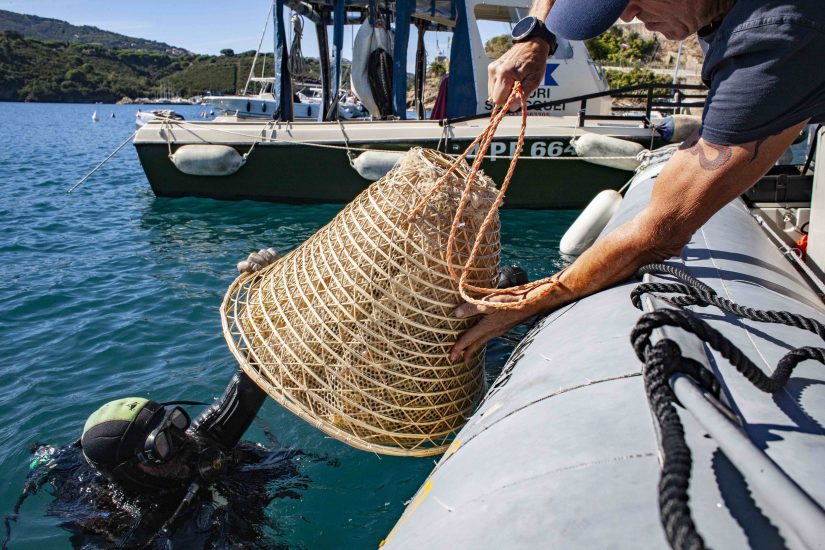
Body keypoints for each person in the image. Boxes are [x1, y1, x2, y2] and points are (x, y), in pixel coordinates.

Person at [449, 0, 825, 363]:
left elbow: (662, 229)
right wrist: (535, 37)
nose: (627, 16)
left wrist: (539, 296)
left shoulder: (777, 33)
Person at [4, 370, 307, 548]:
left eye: (175, 425)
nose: (181, 443)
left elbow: (257, 371)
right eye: (162, 445)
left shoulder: (189, 446)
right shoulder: (111, 523)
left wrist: (264, 288)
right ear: (130, 470)